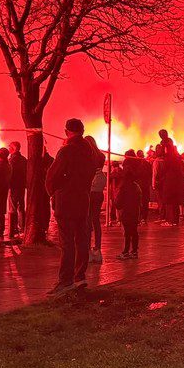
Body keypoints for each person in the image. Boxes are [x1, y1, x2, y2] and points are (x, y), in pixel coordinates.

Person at [45, 118, 105, 296]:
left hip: (66, 201)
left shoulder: (66, 151)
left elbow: (52, 176)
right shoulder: (91, 153)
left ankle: (66, 281)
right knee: (82, 239)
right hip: (83, 200)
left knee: (67, 242)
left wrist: (54, 192)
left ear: (66, 131)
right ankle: (80, 276)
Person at [114, 162, 143, 259]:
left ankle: (126, 251)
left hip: (126, 212)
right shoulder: (136, 187)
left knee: (127, 232)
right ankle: (134, 251)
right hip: (135, 212)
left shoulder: (123, 187)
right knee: (134, 231)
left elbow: (118, 202)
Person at [88, 141, 106, 263]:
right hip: (99, 193)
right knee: (96, 221)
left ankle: (88, 250)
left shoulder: (88, 155)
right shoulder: (101, 155)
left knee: (87, 221)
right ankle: (97, 249)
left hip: (90, 192)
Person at [7, 141, 27, 240]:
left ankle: (12, 231)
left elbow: (10, 174)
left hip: (13, 187)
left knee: (12, 208)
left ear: (14, 148)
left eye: (10, 147)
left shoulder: (11, 160)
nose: (8, 148)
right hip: (21, 187)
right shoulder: (24, 160)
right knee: (21, 207)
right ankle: (23, 228)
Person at [0, 146, 11, 242]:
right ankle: (0, 231)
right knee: (0, 212)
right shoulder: (7, 165)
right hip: (3, 191)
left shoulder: (0, 166)